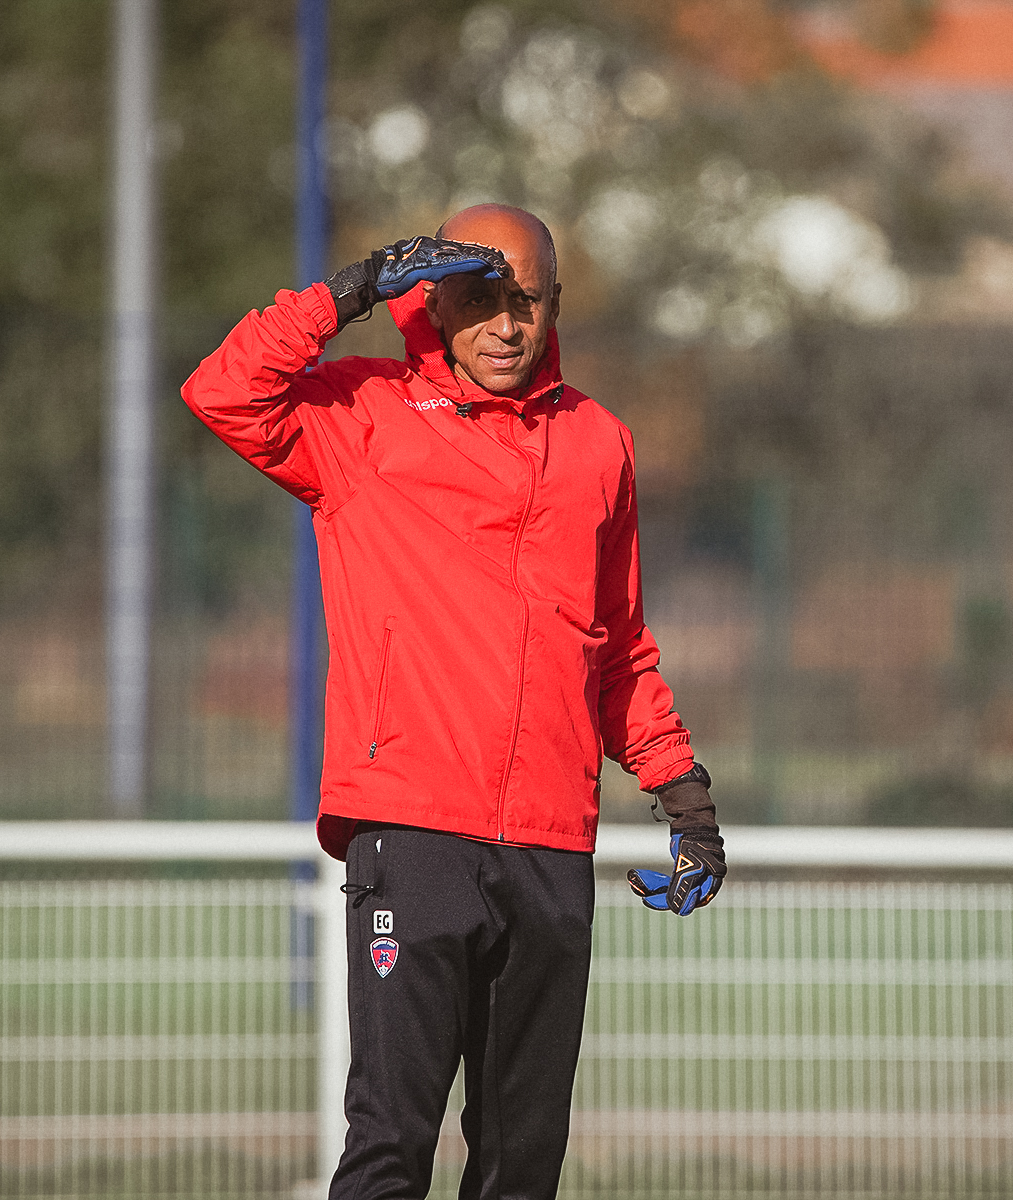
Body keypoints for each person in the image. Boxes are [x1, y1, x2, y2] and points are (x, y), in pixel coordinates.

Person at [181, 204, 726, 1200]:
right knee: (391, 1145)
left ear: (553, 305)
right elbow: (222, 389)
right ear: (432, 304)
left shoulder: (599, 443)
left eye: (527, 302)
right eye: (479, 302)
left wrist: (681, 792)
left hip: (551, 844)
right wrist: (347, 290)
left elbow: (617, 644)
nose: (507, 328)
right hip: (413, 832)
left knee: (523, 1165)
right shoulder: (358, 415)